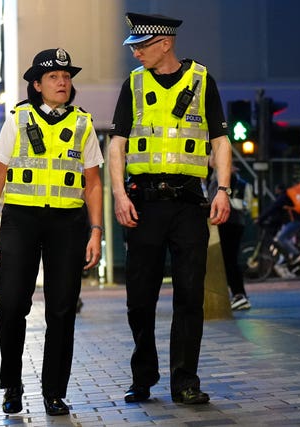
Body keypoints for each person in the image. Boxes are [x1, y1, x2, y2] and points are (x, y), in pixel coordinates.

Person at [108, 12, 232, 405]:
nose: (136, 54)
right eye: (134, 48)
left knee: (190, 295)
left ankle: (185, 381)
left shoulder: (201, 80)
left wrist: (223, 189)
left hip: (189, 202)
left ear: (165, 44)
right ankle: (143, 376)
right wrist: (119, 194)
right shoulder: (134, 84)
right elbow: (117, 144)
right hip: (143, 202)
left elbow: (220, 141)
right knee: (139, 298)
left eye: (142, 47)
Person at [0, 47, 103, 416]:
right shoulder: (17, 119)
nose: (63, 82)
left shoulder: (82, 123)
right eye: (54, 77)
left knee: (63, 310)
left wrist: (96, 230)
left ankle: (54, 391)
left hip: (68, 223)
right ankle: (12, 385)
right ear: (37, 84)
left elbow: (93, 183)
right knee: (13, 304)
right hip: (21, 220)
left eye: (66, 77)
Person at [208, 164, 252, 310]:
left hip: (226, 222)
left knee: (229, 260)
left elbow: (212, 200)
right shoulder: (239, 181)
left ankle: (239, 294)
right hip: (236, 221)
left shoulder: (223, 179)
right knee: (230, 259)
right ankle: (239, 294)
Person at [256, 183, 300, 277]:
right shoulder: (287, 198)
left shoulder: (283, 197)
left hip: (295, 222)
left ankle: (296, 254)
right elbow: (278, 214)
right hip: (297, 221)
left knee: (281, 239)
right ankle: (289, 257)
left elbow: (272, 208)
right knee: (284, 239)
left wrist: (260, 219)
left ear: (278, 190)